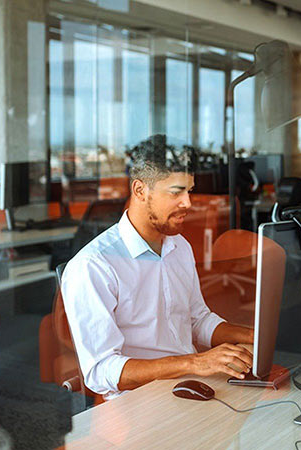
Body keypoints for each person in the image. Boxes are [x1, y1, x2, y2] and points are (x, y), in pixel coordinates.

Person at [62, 135, 254, 400]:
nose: (188, 203)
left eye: (189, 191)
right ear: (140, 190)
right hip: (138, 402)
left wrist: (254, 337)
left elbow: (197, 320)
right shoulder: (93, 265)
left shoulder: (179, 247)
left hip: (191, 383)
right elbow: (100, 371)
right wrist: (195, 362)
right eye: (176, 192)